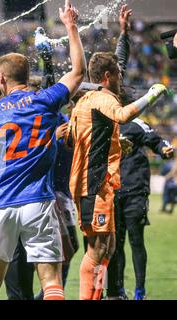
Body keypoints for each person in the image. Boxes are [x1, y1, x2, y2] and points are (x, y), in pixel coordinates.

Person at [0, 0, 86, 300]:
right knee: (51, 282)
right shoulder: (44, 100)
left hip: (1, 204)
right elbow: (79, 71)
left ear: (0, 79)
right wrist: (71, 28)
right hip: (38, 201)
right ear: (26, 76)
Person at [68, 44, 169, 300]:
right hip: (93, 183)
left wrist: (112, 143)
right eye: (118, 75)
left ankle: (96, 294)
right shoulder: (103, 98)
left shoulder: (84, 101)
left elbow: (71, 138)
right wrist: (151, 95)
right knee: (96, 249)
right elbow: (123, 115)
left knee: (108, 247)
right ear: (107, 76)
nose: (121, 79)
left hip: (97, 184)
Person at [101, 5, 175, 300]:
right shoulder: (99, 113)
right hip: (108, 190)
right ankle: (115, 289)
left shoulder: (134, 122)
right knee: (110, 246)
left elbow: (155, 141)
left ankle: (138, 291)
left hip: (132, 190)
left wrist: (123, 33)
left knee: (133, 241)